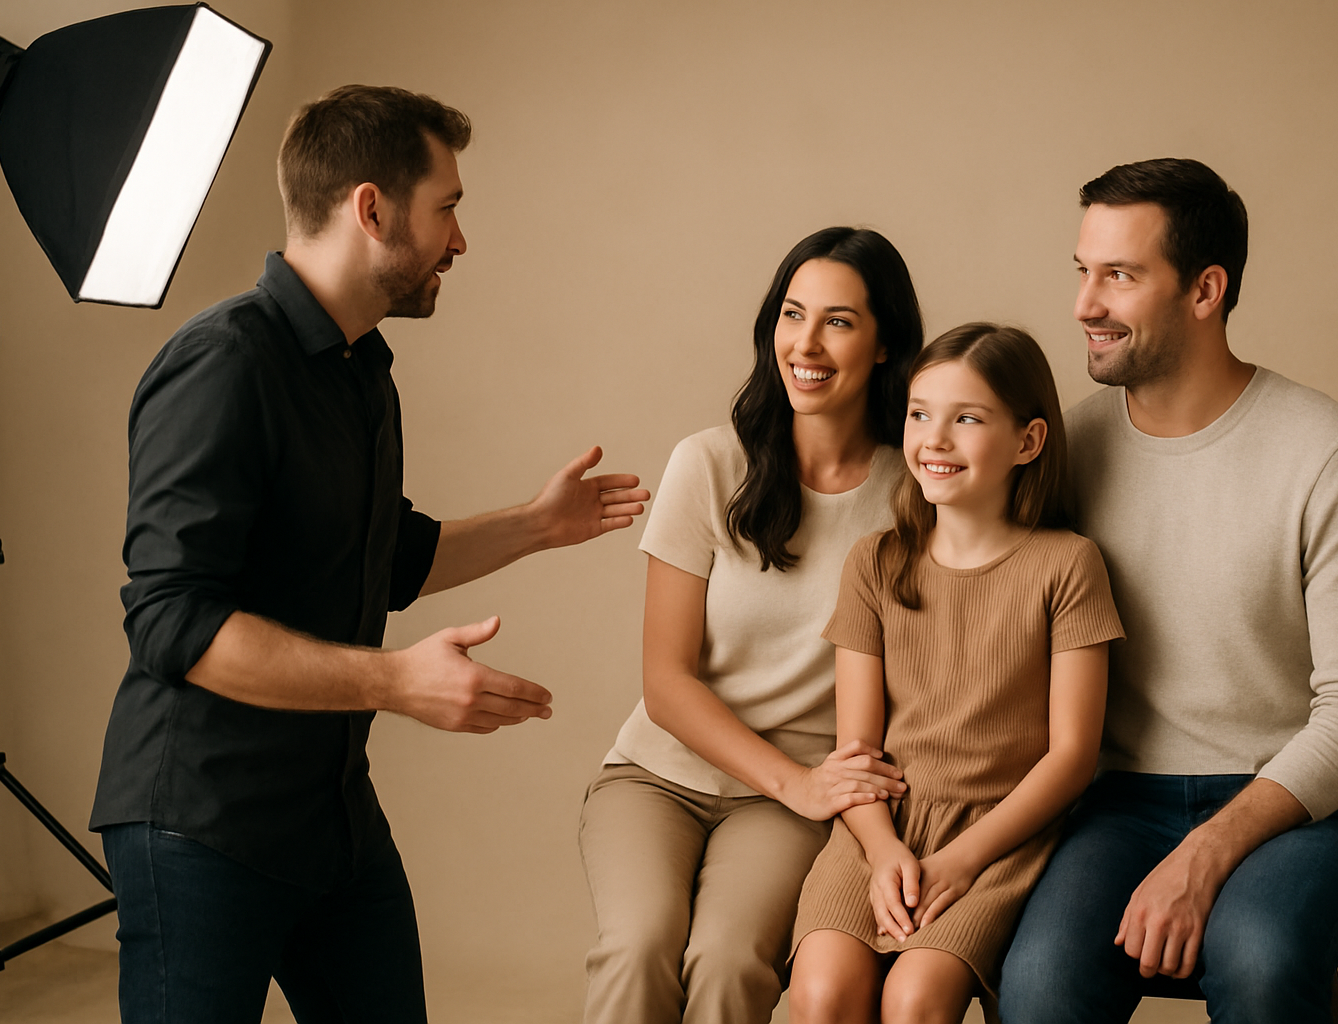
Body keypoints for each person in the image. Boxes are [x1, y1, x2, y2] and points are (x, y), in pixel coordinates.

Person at [88, 85, 649, 1024]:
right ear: (373, 208)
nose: (461, 241)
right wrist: (395, 682)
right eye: (449, 208)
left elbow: (383, 559)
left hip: (333, 821)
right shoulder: (222, 365)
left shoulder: (362, 369)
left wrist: (538, 525)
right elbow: (171, 622)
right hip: (199, 824)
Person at [998, 158, 1338, 1024]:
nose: (1084, 303)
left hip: (1302, 802)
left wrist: (1209, 851)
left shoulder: (1329, 454)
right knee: (1037, 986)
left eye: (1119, 275)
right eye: (1083, 271)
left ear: (1205, 290)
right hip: (1116, 801)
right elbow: (946, 557)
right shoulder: (1066, 451)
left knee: (1258, 956)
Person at [576, 227, 925, 1024]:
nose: (806, 343)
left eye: (839, 321)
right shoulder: (707, 463)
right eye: (792, 315)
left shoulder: (916, 491)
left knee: (730, 963)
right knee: (639, 947)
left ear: (883, 345)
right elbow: (666, 682)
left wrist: (812, 790)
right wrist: (796, 783)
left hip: (793, 801)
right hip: (658, 776)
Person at [786, 324, 1124, 1024]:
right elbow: (856, 754)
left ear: (1028, 442)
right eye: (919, 414)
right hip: (878, 826)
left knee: (914, 1001)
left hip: (997, 836)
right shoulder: (874, 563)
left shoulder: (1067, 566)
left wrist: (963, 860)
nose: (934, 440)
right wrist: (881, 852)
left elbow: (1072, 757)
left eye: (966, 419)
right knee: (822, 995)